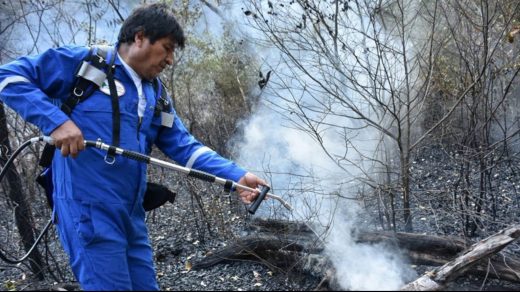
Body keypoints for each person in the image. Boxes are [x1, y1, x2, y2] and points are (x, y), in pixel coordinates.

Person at [0, 3, 267, 290]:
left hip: (131, 214)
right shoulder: (85, 64)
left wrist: (236, 177)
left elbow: (184, 146)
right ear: (139, 37)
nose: (170, 60)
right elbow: (9, 77)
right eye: (167, 48)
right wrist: (56, 123)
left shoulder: (155, 93)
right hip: (88, 212)